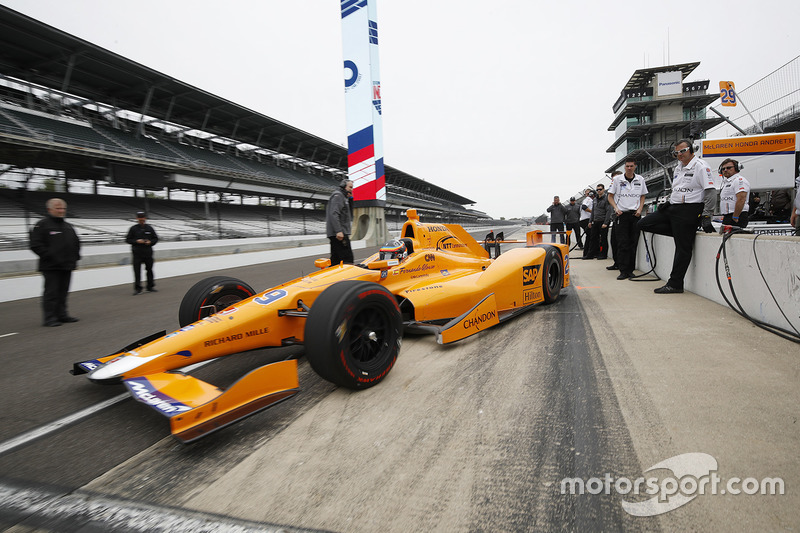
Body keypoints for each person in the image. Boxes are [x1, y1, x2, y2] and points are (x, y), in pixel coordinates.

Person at [637, 139, 716, 294]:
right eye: (676, 152)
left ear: (691, 150)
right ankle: (683, 233)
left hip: (690, 209)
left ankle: (675, 284)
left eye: (682, 151)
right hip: (673, 207)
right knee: (642, 224)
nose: (679, 155)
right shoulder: (678, 168)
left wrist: (707, 216)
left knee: (683, 248)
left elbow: (711, 192)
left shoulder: (701, 166)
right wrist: (667, 202)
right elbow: (678, 189)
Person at [29, 198, 81, 327]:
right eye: (58, 208)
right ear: (49, 210)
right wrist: (50, 256)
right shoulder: (42, 225)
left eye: (63, 208)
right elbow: (35, 245)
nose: (61, 211)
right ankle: (50, 318)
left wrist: (76, 257)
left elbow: (76, 243)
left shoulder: (68, 226)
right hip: (51, 266)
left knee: (63, 292)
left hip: (67, 265)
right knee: (51, 293)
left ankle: (62, 315)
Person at [607, 160, 648, 279]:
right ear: (624, 167)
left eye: (631, 166)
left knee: (633, 243)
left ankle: (631, 270)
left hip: (635, 215)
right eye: (627, 166)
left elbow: (643, 196)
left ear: (635, 166)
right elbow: (610, 196)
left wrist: (640, 209)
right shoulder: (617, 179)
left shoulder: (640, 179)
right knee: (622, 243)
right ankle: (623, 270)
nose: (629, 168)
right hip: (621, 214)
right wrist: (616, 208)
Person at [126, 211, 159, 295]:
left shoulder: (149, 228)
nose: (142, 220)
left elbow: (155, 238)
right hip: (137, 253)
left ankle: (150, 286)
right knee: (137, 271)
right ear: (137, 218)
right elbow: (128, 240)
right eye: (140, 218)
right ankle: (138, 288)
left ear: (145, 218)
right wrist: (136, 241)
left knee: (149, 270)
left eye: (143, 218)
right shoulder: (133, 228)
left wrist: (150, 242)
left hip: (148, 253)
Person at [326, 179, 354, 265]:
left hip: (339, 232)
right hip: (339, 233)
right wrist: (338, 231)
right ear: (343, 186)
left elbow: (349, 212)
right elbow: (334, 214)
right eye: (350, 187)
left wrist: (350, 198)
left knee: (336, 259)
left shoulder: (343, 197)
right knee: (347, 258)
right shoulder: (338, 196)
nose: (351, 189)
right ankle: (348, 277)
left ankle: (332, 277)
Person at [718, 158, 750, 228]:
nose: (725, 170)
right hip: (729, 216)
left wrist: (735, 216)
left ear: (736, 168)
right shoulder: (727, 182)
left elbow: (741, 199)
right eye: (723, 169)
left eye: (729, 168)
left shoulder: (739, 180)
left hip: (737, 216)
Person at [584, 184, 611, 260]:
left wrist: (606, 223)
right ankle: (590, 254)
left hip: (603, 221)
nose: (599, 191)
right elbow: (593, 212)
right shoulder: (595, 200)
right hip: (595, 221)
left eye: (600, 189)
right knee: (593, 238)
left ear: (603, 190)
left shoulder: (607, 199)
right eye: (597, 190)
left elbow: (609, 211)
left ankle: (603, 254)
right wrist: (590, 221)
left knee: (603, 239)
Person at [606, 171, 623, 271]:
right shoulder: (610, 192)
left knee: (622, 243)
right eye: (613, 179)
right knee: (614, 243)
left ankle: (622, 264)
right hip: (613, 220)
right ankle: (616, 262)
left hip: (622, 218)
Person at [579, 188, 594, 258]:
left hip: (585, 219)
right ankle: (587, 253)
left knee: (590, 236)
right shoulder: (588, 199)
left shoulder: (589, 200)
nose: (588, 195)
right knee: (590, 237)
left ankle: (587, 253)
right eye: (587, 193)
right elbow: (584, 207)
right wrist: (592, 212)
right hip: (586, 220)